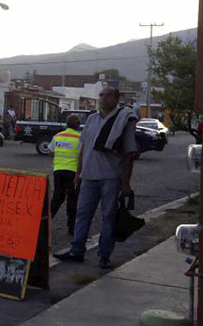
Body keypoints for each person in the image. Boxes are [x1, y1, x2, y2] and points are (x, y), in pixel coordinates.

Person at [55, 86, 138, 269]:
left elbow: (129, 154)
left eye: (108, 95)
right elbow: (83, 148)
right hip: (88, 177)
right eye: (101, 95)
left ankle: (104, 256)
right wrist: (78, 174)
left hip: (110, 177)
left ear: (116, 99)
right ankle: (76, 251)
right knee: (82, 214)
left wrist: (126, 183)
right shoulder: (91, 119)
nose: (104, 98)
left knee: (108, 216)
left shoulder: (123, 120)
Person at [49, 114, 82, 235]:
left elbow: (51, 151)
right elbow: (82, 156)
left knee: (57, 198)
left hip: (58, 170)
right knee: (72, 199)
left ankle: (45, 224)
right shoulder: (80, 138)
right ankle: (71, 227)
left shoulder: (58, 136)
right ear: (78, 126)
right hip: (73, 172)